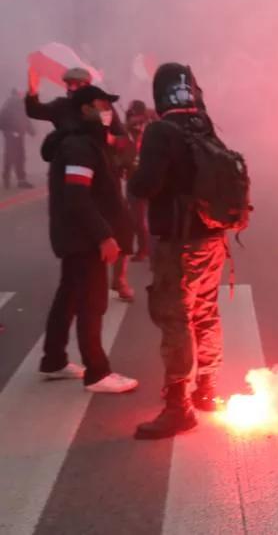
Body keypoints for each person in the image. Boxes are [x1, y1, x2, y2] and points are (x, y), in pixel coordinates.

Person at [131, 64, 228, 439]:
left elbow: (144, 185)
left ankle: (178, 406)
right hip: (212, 240)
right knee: (206, 311)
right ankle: (207, 389)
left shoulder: (160, 131)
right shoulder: (203, 125)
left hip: (179, 243)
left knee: (175, 317)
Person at [38, 84, 138, 393]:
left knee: (68, 297)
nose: (108, 110)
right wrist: (104, 236)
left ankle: (53, 361)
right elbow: (77, 197)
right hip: (83, 239)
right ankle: (98, 373)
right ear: (85, 109)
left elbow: (125, 146)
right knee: (91, 303)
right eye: (103, 105)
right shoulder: (79, 147)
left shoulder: (91, 143)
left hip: (78, 237)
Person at [124, 100, 158, 261]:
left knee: (155, 218)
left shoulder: (154, 125)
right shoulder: (126, 131)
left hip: (152, 176)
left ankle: (153, 250)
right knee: (136, 219)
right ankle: (144, 249)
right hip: (134, 177)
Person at [1, 88, 35, 189]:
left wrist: (7, 131)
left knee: (9, 156)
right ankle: (21, 180)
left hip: (10, 134)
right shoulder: (18, 103)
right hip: (17, 134)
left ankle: (6, 178)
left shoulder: (6, 104)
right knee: (19, 157)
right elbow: (25, 117)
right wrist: (31, 131)